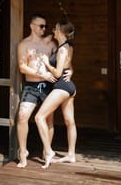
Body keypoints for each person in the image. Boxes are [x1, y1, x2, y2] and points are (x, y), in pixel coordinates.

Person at [16, 14, 72, 168]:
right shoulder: (24, 45)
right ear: (32, 26)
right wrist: (41, 74)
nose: (44, 29)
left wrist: (71, 70)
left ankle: (45, 152)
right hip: (31, 86)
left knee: (48, 120)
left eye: (46, 26)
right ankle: (23, 152)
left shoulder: (51, 43)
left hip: (49, 87)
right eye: (41, 26)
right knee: (22, 116)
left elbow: (64, 60)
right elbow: (22, 67)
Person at [35, 19, 77, 169]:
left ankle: (49, 151)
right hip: (70, 87)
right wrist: (71, 71)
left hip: (61, 87)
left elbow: (58, 73)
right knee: (69, 121)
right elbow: (68, 66)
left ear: (60, 32)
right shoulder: (67, 46)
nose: (53, 30)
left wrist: (46, 63)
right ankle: (71, 155)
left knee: (39, 117)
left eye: (55, 29)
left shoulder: (62, 49)